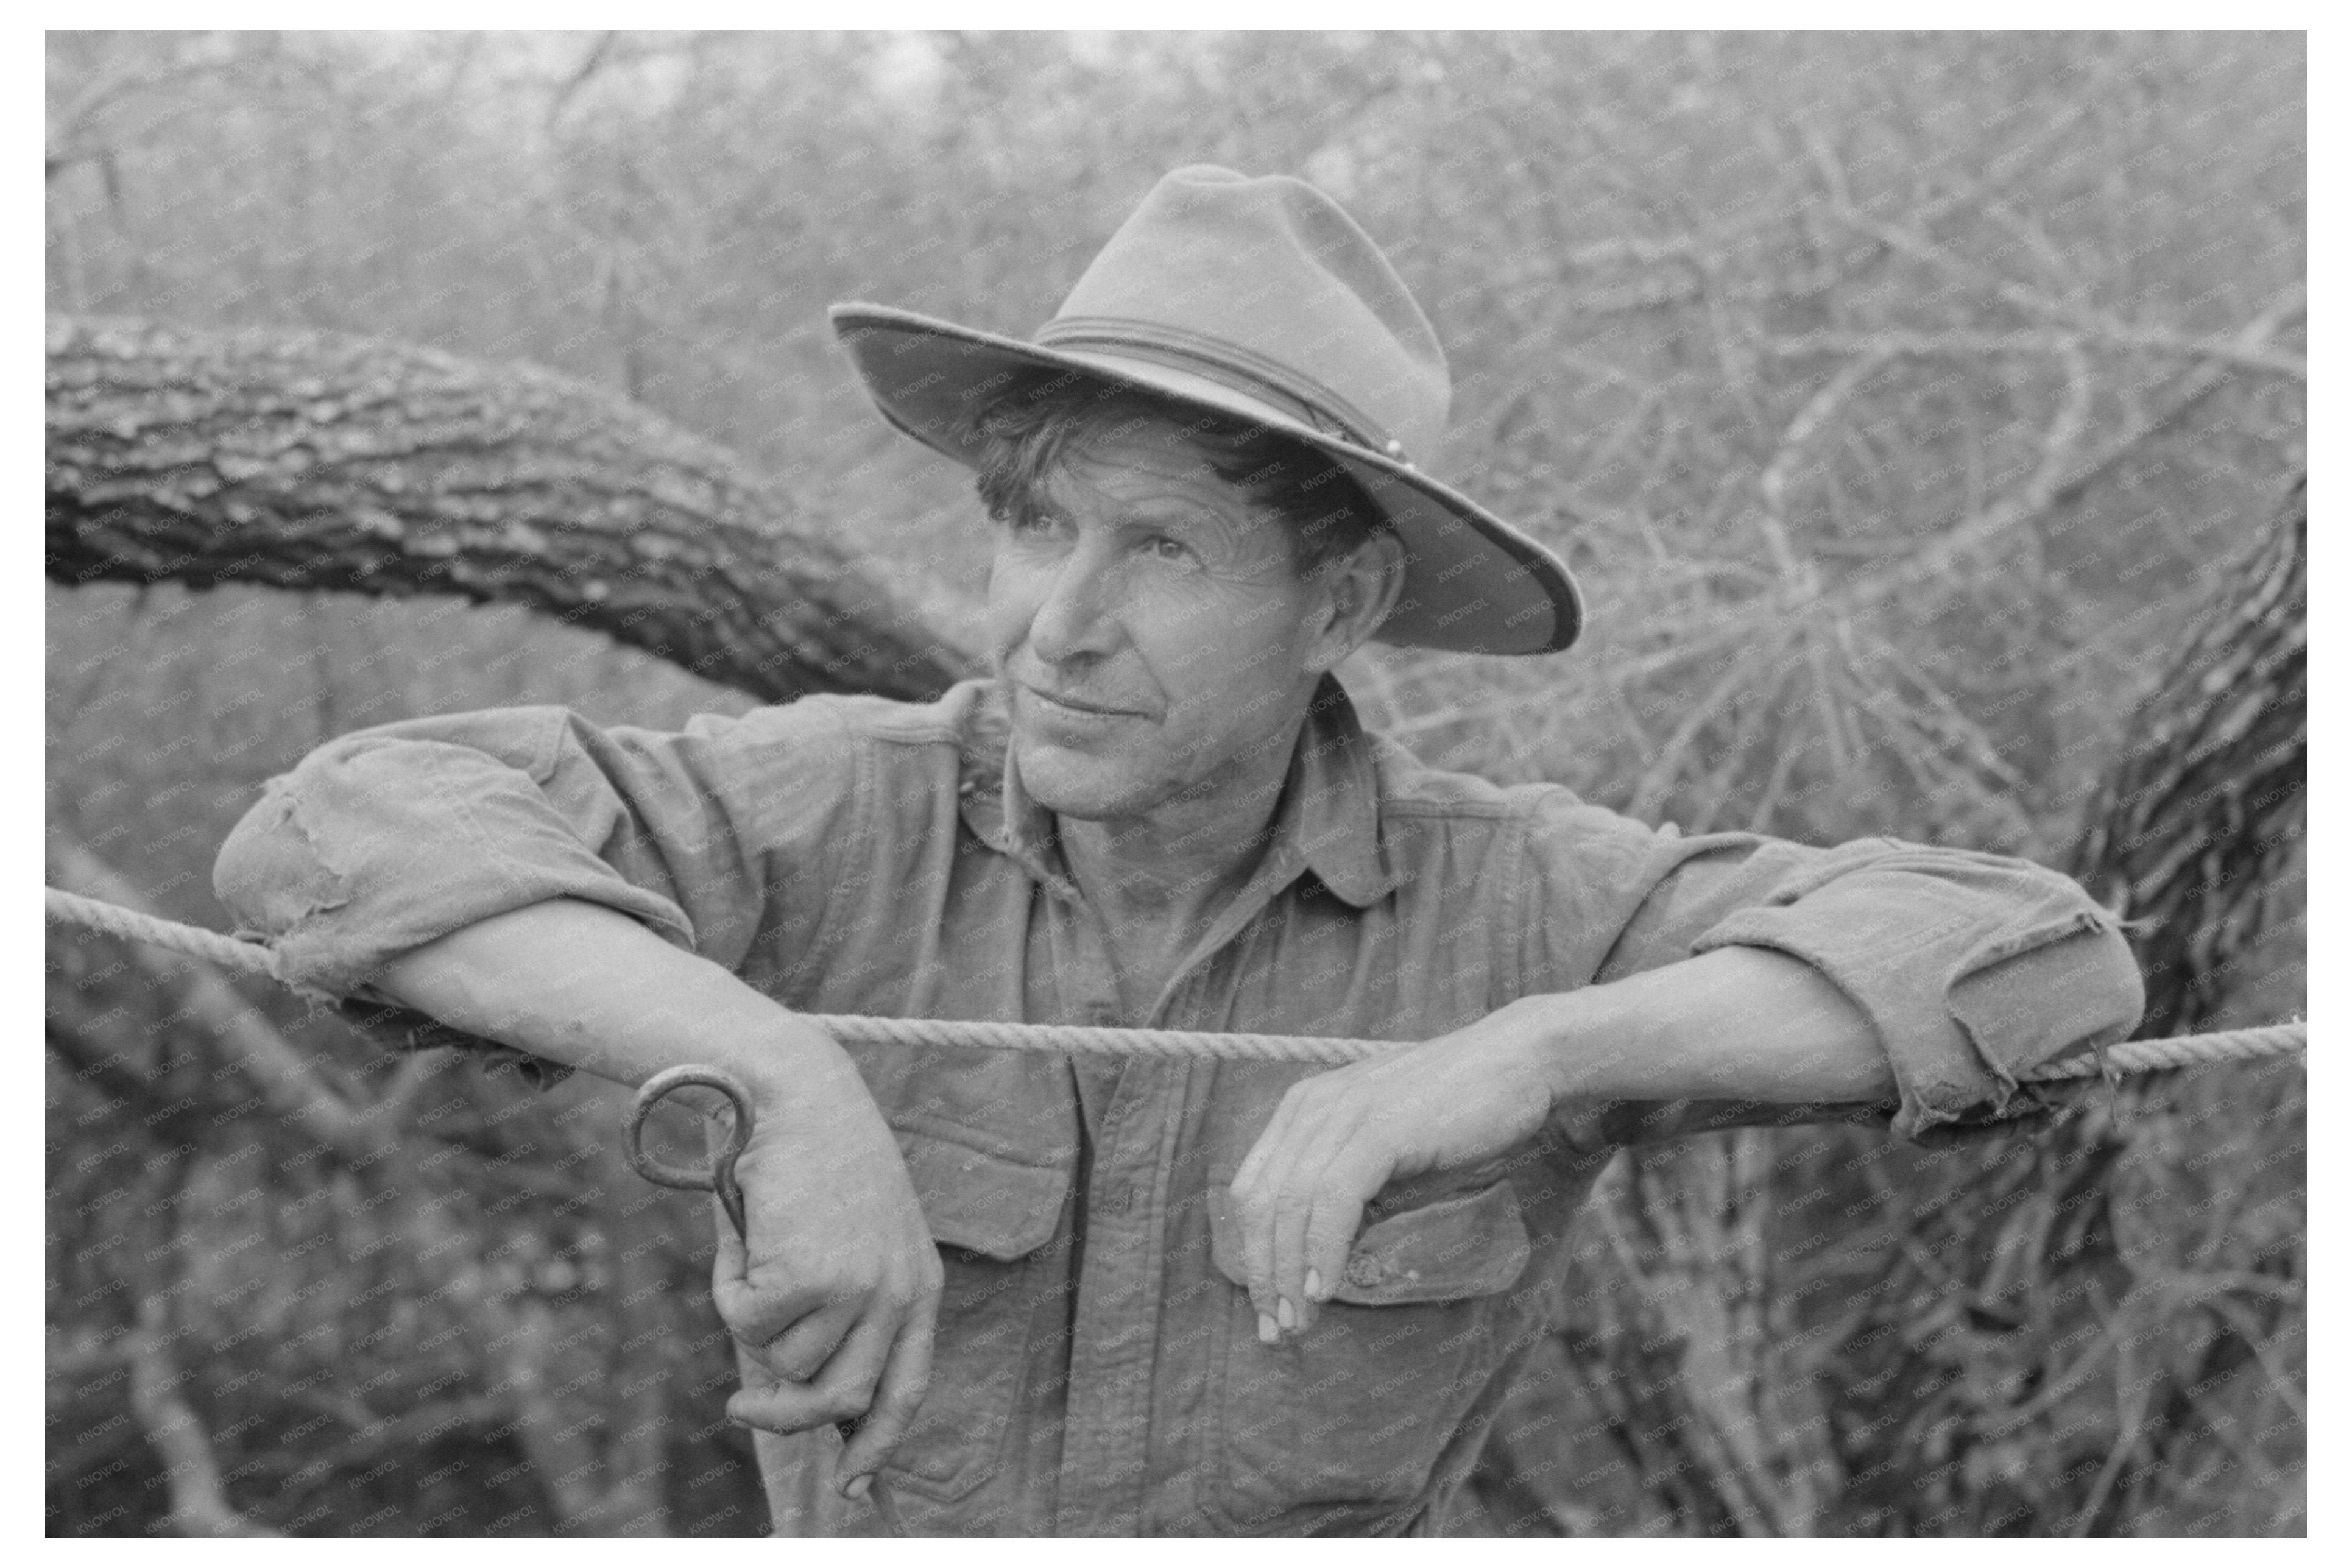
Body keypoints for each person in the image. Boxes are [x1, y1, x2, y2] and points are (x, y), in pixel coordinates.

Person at [213, 165, 2144, 1537]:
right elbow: (337, 825)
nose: (1059, 624)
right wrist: (779, 1074)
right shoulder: (838, 814)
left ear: (1341, 601)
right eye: (1039, 528)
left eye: (1163, 550)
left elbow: (2035, 961)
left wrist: (1538, 1052)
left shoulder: (1522, 900)